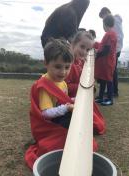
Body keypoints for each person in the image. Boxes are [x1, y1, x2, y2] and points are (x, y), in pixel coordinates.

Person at [24, 39, 98, 170]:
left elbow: (64, 99)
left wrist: (76, 100)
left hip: (59, 117)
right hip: (49, 124)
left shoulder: (62, 82)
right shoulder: (44, 85)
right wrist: (66, 108)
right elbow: (45, 113)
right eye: (58, 67)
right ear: (46, 63)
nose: (63, 72)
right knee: (73, 120)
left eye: (67, 67)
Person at [65, 31, 106, 134]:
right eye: (82, 47)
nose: (84, 51)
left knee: (99, 124)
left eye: (87, 49)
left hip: (81, 98)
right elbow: (64, 87)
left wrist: (90, 86)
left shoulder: (82, 63)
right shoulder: (67, 65)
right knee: (94, 125)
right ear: (73, 44)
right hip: (69, 101)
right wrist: (82, 87)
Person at [99, 7, 124, 97]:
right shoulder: (114, 22)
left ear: (106, 13)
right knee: (111, 71)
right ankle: (111, 91)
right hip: (115, 48)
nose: (103, 20)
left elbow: (117, 36)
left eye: (103, 17)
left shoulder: (114, 21)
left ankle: (114, 91)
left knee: (112, 71)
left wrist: (112, 49)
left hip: (114, 50)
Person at [94, 15, 117, 106]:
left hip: (108, 62)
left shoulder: (110, 34)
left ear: (104, 24)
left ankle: (110, 99)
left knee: (108, 80)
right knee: (103, 79)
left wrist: (97, 55)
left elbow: (107, 49)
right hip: (105, 62)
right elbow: (103, 46)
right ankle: (100, 97)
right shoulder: (110, 33)